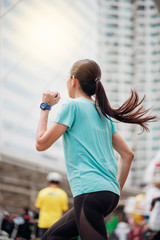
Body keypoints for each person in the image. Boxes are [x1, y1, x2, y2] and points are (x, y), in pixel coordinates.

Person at [36, 59, 156, 240]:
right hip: (109, 195)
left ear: (73, 80)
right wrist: (115, 188)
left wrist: (45, 107)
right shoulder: (103, 114)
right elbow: (127, 155)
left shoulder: (72, 106)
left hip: (89, 192)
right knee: (52, 236)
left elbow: (41, 144)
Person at [35, 172, 68, 239]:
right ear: (59, 182)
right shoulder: (63, 194)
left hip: (43, 223)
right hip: (56, 224)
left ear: (49, 181)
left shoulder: (42, 192)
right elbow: (65, 211)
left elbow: (37, 207)